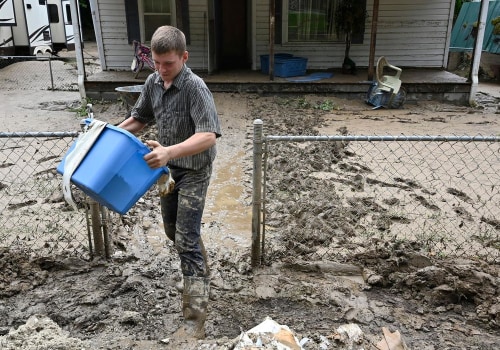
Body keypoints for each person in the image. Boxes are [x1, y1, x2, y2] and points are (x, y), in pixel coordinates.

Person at [118, 25, 221, 340]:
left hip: (193, 170)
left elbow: (208, 135)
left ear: (184, 57)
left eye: (169, 64)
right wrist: (106, 136)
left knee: (186, 240)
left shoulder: (195, 87)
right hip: (166, 171)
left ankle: (196, 313)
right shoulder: (152, 82)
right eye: (157, 63)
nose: (162, 70)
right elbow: (139, 119)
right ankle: (202, 268)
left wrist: (169, 152)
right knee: (172, 232)